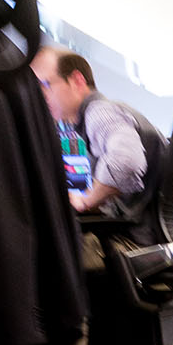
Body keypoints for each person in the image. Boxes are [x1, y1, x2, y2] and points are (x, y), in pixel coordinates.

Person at [30, 49, 154, 226]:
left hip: (135, 235)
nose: (41, 97)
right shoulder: (89, 120)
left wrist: (85, 201)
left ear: (77, 81)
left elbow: (127, 161)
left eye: (45, 85)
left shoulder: (99, 112)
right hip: (143, 229)